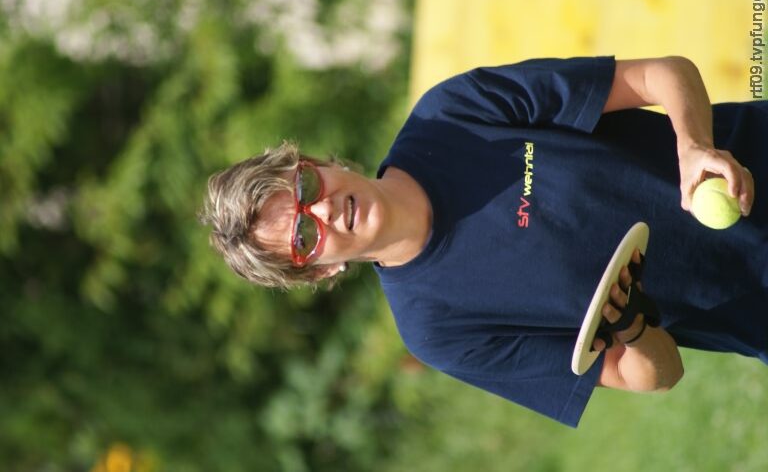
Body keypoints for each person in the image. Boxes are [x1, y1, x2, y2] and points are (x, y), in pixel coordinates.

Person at [200, 55, 767, 427]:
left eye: (305, 186)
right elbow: (658, 376)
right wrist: (634, 326)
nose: (323, 209)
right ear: (320, 270)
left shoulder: (449, 115)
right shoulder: (436, 329)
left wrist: (694, 146)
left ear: (321, 164)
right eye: (304, 234)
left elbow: (662, 74)